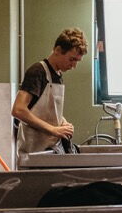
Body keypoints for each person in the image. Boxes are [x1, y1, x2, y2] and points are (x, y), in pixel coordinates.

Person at [12, 28, 87, 166]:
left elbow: (45, 110)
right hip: (34, 154)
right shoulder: (38, 72)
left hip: (51, 151)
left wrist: (62, 123)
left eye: (77, 61)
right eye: (71, 59)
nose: (74, 66)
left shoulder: (57, 75)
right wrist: (53, 130)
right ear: (57, 50)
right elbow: (18, 109)